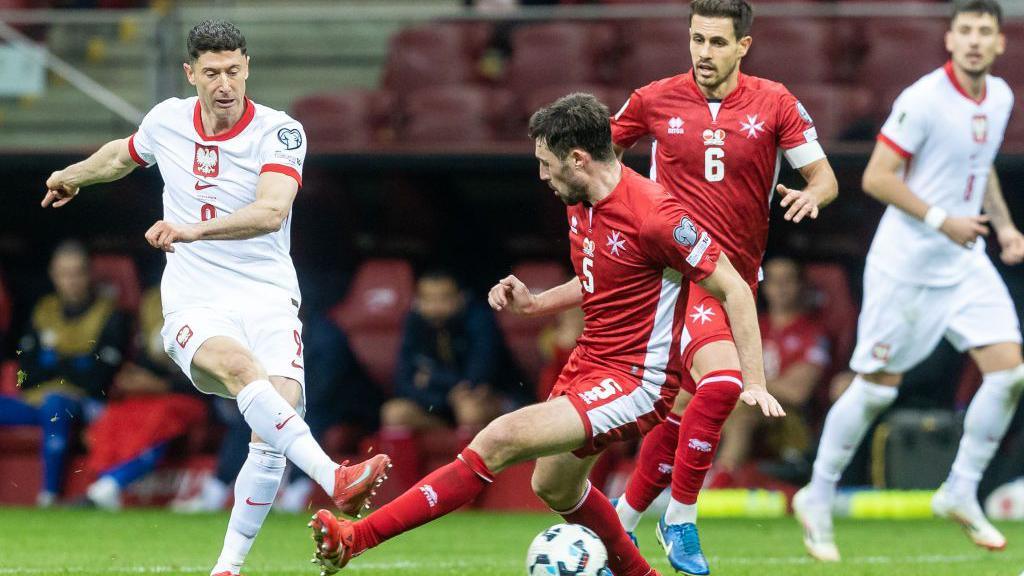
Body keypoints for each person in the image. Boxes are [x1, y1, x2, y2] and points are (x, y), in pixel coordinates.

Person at [306, 93, 782, 576]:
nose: (541, 176)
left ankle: (355, 538)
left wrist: (755, 380)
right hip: (589, 364)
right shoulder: (580, 199)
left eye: (545, 163)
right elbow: (602, 275)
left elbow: (734, 287)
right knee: (553, 488)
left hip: (637, 381)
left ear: (577, 159)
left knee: (500, 437)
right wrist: (536, 302)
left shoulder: (658, 216)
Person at [39, 20, 390, 576]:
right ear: (190, 74)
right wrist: (72, 175)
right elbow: (121, 155)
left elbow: (273, 210)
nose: (224, 84)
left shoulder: (281, 132)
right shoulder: (167, 121)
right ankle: (333, 477)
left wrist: (191, 230)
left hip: (269, 295)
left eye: (232, 70)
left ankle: (227, 567)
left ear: (247, 67)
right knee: (239, 368)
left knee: (274, 425)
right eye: (211, 73)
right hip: (197, 299)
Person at [607, 0, 838, 572]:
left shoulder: (775, 101)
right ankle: (680, 519)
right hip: (672, 277)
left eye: (716, 42)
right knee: (724, 384)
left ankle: (619, 523)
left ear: (743, 46)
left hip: (735, 277)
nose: (703, 53)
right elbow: (598, 165)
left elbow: (824, 176)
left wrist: (812, 195)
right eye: (696, 40)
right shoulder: (653, 98)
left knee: (684, 407)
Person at [793, 0, 1024, 561]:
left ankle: (959, 489)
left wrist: (1007, 226)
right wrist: (943, 220)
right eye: (964, 31)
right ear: (949, 40)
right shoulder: (922, 99)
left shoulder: (1000, 97)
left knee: (1010, 374)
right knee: (875, 389)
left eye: (983, 32)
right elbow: (876, 177)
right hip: (908, 265)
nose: (973, 41)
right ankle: (817, 494)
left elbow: (981, 159)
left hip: (964, 263)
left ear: (999, 44)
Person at [0, 240, 129, 507]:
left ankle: (48, 496)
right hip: (37, 401)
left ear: (88, 274)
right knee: (49, 402)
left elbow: (98, 378)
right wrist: (74, 363)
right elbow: (26, 372)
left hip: (86, 405)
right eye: (64, 274)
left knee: (56, 403)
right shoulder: (43, 310)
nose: (71, 281)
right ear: (53, 275)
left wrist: (54, 363)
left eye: (77, 273)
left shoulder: (110, 314)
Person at [84, 286, 208, 510]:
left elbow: (212, 376)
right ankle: (103, 480)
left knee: (160, 418)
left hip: (192, 395)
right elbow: (140, 361)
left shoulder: (206, 310)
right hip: (153, 395)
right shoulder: (151, 314)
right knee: (115, 413)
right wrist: (132, 377)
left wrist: (163, 385)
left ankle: (112, 483)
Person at [713, 257, 828, 485]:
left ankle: (718, 482)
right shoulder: (752, 324)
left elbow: (797, 393)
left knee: (743, 412)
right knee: (687, 400)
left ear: (801, 286)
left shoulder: (812, 332)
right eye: (774, 281)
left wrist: (749, 379)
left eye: (788, 280)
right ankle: (669, 476)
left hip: (790, 421)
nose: (781, 288)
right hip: (740, 407)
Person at [382, 269, 512, 434]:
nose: (435, 306)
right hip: (437, 402)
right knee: (394, 413)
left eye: (444, 298)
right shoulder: (413, 322)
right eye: (427, 299)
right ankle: (448, 447)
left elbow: (477, 378)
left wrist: (431, 378)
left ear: (461, 297)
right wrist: (445, 395)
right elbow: (403, 382)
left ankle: (469, 457)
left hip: (487, 400)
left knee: (469, 410)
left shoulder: (480, 319)